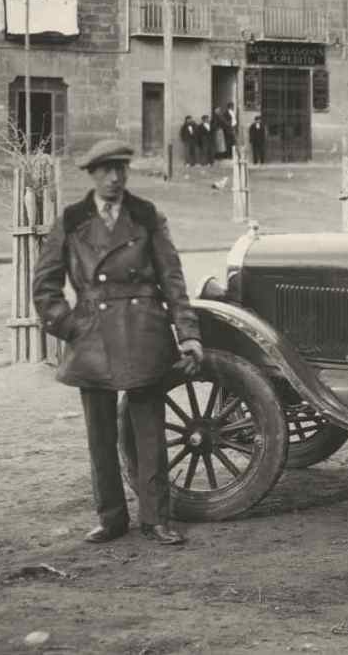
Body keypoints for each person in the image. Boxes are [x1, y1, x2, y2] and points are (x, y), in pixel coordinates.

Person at [32, 140, 204, 547]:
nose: (114, 178)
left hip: (144, 332)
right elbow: (45, 287)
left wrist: (189, 334)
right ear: (91, 174)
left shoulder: (145, 216)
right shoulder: (72, 221)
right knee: (100, 436)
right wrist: (71, 326)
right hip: (93, 338)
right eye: (106, 170)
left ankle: (156, 519)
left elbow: (173, 281)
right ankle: (111, 518)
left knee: (149, 434)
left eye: (120, 169)